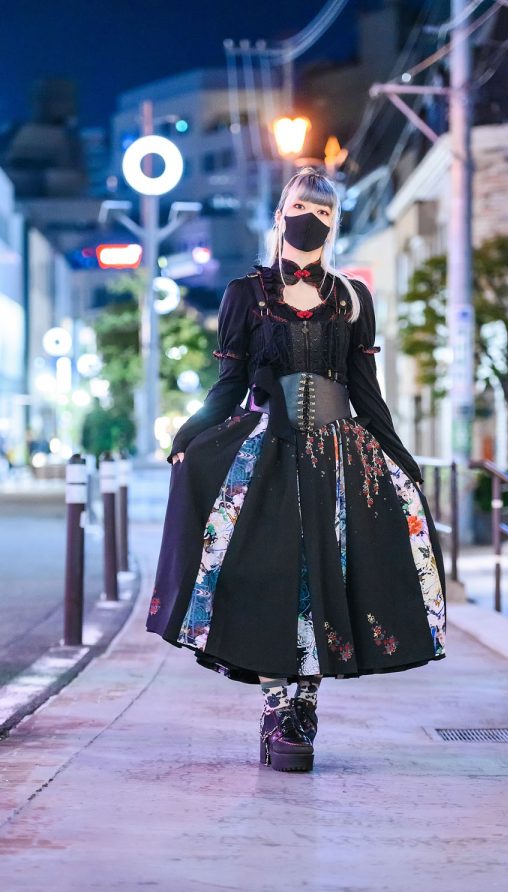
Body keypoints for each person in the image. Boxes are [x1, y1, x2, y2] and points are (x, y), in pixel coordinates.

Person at [146, 166, 446, 773]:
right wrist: (189, 436)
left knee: (326, 581)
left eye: (327, 212)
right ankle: (274, 704)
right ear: (280, 213)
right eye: (304, 206)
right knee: (268, 576)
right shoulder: (245, 294)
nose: (314, 218)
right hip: (267, 456)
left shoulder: (352, 298)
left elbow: (367, 391)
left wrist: (400, 457)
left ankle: (302, 709)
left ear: (335, 224)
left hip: (339, 456)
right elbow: (227, 386)